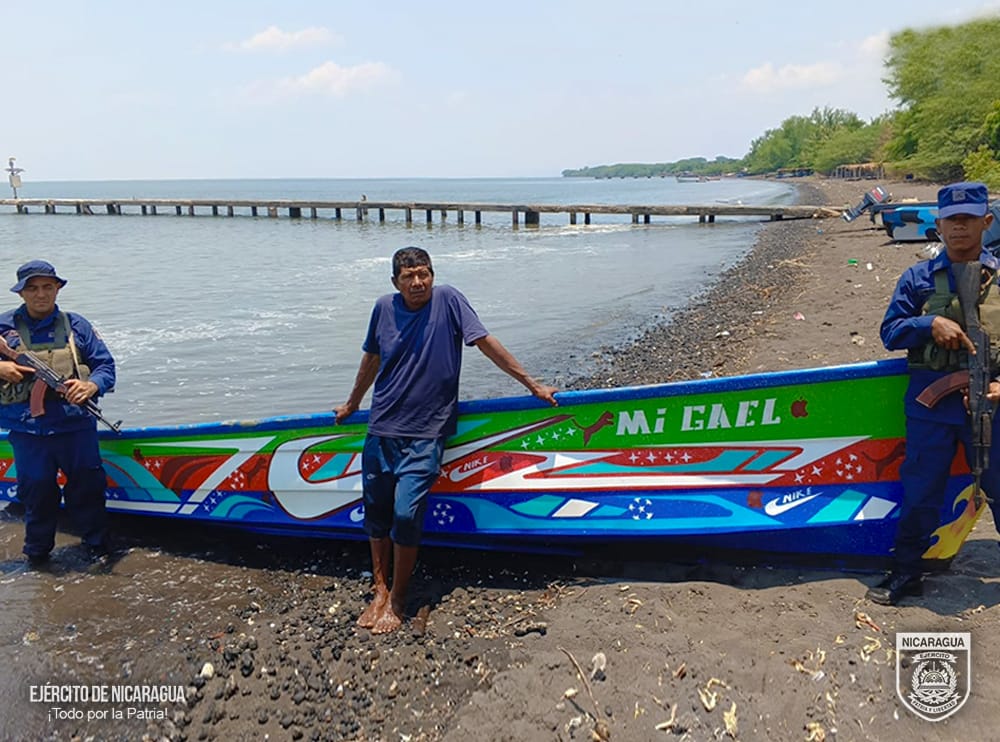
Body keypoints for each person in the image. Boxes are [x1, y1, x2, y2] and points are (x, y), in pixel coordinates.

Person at [334, 247, 558, 633]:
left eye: (424, 274)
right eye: (408, 276)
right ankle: (379, 589)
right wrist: (353, 403)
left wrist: (531, 383)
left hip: (426, 433)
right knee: (377, 516)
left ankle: (399, 598)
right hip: (382, 427)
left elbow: (486, 342)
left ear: (433, 275)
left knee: (406, 514)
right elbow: (370, 359)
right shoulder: (383, 308)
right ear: (395, 282)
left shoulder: (449, 300)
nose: (418, 282)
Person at [868, 182, 999, 605]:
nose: (959, 227)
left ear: (987, 221)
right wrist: (929, 325)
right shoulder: (918, 278)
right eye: (951, 220)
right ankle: (907, 572)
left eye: (968, 218)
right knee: (922, 491)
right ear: (938, 224)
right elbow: (890, 332)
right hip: (933, 406)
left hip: (993, 405)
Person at [0, 260, 117, 566]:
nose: (41, 294)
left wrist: (91, 386)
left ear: (58, 288)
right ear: (21, 292)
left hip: (74, 426)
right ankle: (37, 556)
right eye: (32, 288)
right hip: (27, 430)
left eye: (47, 287)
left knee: (88, 489)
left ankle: (98, 548)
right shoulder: (4, 327)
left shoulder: (76, 326)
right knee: (36, 491)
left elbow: (106, 366)